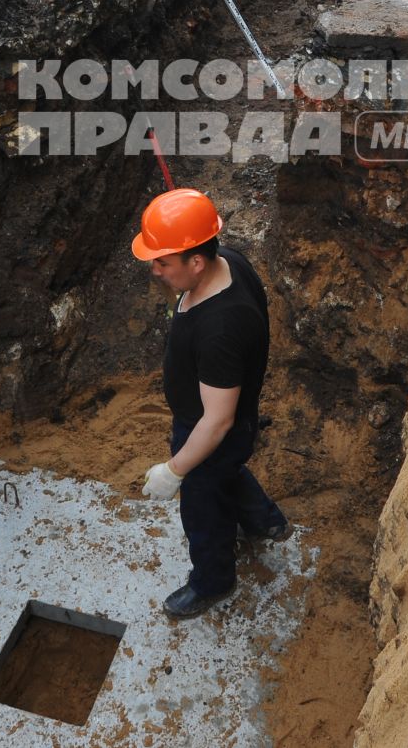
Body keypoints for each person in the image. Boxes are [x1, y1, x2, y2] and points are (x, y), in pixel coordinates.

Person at [135, 188, 289, 619]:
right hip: (231, 428)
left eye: (163, 261)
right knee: (228, 470)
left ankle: (213, 582)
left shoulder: (221, 328)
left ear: (196, 261)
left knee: (203, 509)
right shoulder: (229, 261)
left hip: (210, 429)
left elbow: (217, 421)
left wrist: (175, 470)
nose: (155, 270)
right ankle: (265, 521)